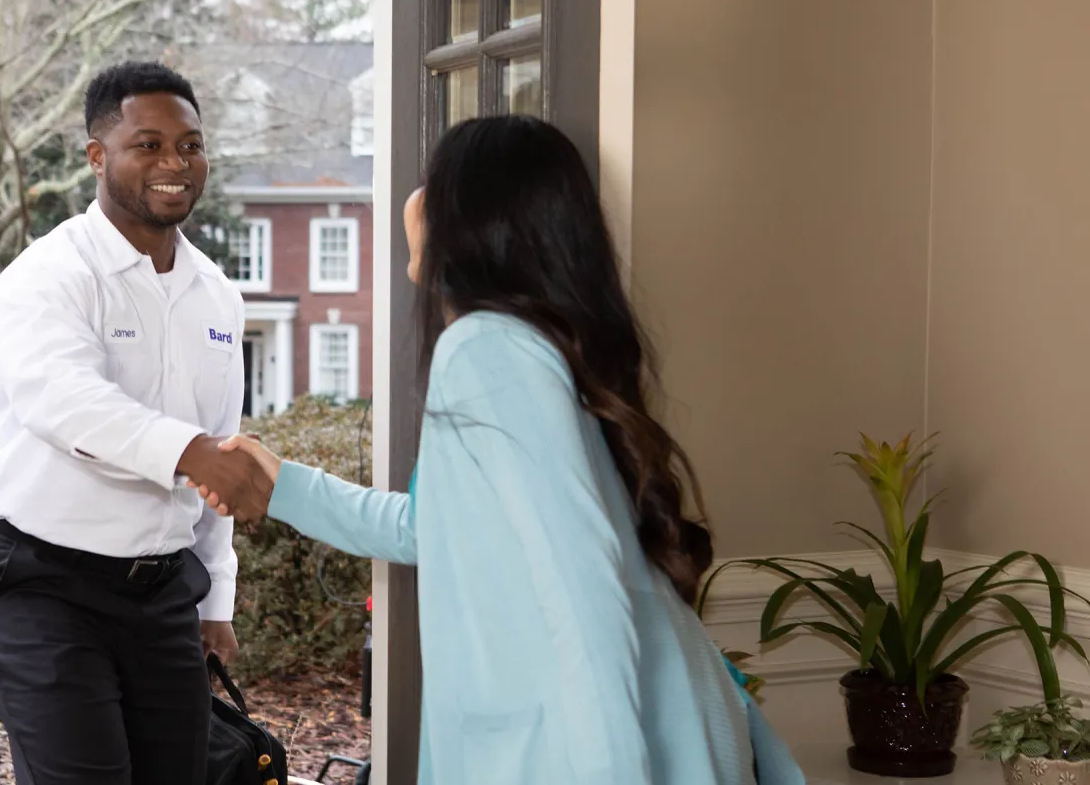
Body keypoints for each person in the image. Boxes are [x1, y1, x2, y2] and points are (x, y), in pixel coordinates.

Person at [191, 116, 806, 784]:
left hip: (590, 747)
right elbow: (435, 527)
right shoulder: (531, 347)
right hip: (634, 723)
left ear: (472, 217)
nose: (414, 198)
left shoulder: (487, 351)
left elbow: (583, 592)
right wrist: (283, 485)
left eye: (432, 180)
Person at [0, 60, 272, 785]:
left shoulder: (218, 298)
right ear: (98, 156)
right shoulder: (46, 277)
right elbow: (65, 403)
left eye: (191, 146)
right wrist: (195, 453)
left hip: (164, 592)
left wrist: (215, 598)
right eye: (150, 144)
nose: (176, 163)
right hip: (43, 586)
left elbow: (219, 461)